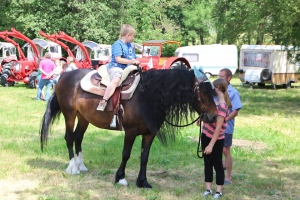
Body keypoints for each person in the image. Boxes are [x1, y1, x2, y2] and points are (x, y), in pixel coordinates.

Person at [198, 78, 232, 199]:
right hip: (206, 135)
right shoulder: (215, 103)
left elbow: (218, 129)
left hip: (216, 140)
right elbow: (209, 117)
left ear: (217, 88)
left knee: (217, 164)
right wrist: (201, 119)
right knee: (207, 162)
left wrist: (211, 145)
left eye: (213, 87)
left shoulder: (223, 107)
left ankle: (218, 191)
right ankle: (208, 189)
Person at [97, 24, 139, 111]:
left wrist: (137, 62)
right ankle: (104, 101)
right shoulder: (117, 44)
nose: (133, 38)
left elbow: (133, 58)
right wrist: (131, 62)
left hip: (127, 67)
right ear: (128, 35)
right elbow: (118, 59)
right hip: (116, 66)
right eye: (133, 36)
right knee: (116, 80)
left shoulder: (130, 46)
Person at [218, 68, 242, 185]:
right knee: (216, 150)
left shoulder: (233, 92)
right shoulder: (216, 91)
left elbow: (236, 111)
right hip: (215, 127)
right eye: (218, 76)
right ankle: (220, 170)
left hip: (226, 127)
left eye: (222, 77)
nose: (219, 78)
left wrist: (224, 120)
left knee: (225, 150)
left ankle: (228, 178)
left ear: (229, 78)